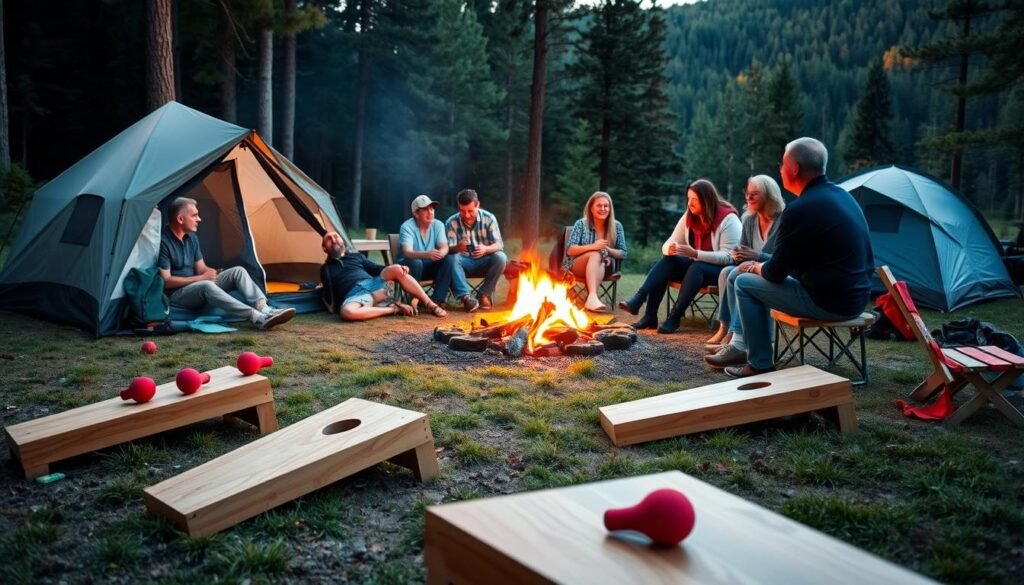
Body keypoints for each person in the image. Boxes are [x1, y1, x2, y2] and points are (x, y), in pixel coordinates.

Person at [727, 137, 874, 378]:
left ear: (794, 169)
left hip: (829, 302)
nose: (780, 169)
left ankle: (759, 364)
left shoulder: (801, 209)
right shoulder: (842, 196)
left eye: (782, 165)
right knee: (738, 274)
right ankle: (740, 345)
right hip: (856, 298)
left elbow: (775, 272)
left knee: (743, 282)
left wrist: (753, 266)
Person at [617, 179, 740, 333]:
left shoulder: (728, 219)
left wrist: (696, 253)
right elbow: (669, 242)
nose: (689, 204)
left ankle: (674, 318)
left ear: (706, 200)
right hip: (697, 267)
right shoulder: (690, 216)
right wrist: (670, 249)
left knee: (697, 267)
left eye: (694, 200)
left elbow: (730, 256)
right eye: (688, 199)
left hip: (722, 272)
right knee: (666, 261)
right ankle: (645, 308)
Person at [157, 197, 296, 331]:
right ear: (180, 219)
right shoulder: (163, 242)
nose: (199, 219)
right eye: (194, 216)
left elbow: (201, 268)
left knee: (238, 271)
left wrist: (212, 273)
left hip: (196, 285)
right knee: (206, 285)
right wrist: (201, 278)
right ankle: (256, 317)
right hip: (177, 294)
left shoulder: (192, 238)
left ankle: (265, 309)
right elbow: (166, 281)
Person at [704, 175, 785, 368]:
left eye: (754, 194)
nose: (749, 198)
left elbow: (783, 262)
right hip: (752, 268)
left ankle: (738, 341)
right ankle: (730, 332)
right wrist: (738, 255)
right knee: (727, 272)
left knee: (735, 275)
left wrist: (756, 256)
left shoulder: (783, 220)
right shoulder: (749, 220)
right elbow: (741, 253)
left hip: (773, 274)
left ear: (769, 194)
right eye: (747, 194)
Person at [320, 232, 447, 320]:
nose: (334, 240)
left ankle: (431, 305)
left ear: (342, 240)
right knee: (347, 312)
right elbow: (330, 296)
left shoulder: (356, 256)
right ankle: (393, 309)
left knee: (397, 269)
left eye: (336, 236)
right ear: (324, 248)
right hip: (354, 294)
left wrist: (396, 269)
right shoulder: (326, 269)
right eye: (329, 239)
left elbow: (375, 268)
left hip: (371, 284)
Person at [398, 195, 479, 313]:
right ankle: (414, 299)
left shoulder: (438, 225)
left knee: (449, 258)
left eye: (432, 209)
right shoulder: (407, 227)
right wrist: (426, 254)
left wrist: (441, 253)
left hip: (429, 265)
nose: (430, 212)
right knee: (416, 262)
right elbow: (407, 252)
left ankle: (437, 300)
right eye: (425, 209)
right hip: (408, 268)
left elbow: (444, 247)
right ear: (416, 213)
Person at [564, 191, 628, 312]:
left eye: (606, 206)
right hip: (578, 265)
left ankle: (591, 299)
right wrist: (594, 246)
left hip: (605, 267)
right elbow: (570, 250)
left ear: (610, 208)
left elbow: (623, 253)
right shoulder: (581, 224)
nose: (603, 209)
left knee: (600, 258)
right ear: (591, 208)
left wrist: (606, 250)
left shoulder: (617, 226)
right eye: (599, 206)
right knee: (596, 253)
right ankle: (592, 296)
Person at [445, 189, 507, 310]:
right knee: (451, 257)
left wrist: (486, 249)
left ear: (477, 205)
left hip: (483, 261)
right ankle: (466, 298)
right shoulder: (451, 222)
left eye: (470, 211)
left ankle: (483, 295)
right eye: (462, 211)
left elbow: (499, 244)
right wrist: (457, 247)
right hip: (462, 263)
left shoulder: (489, 218)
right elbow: (446, 250)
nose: (467, 215)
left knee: (501, 257)